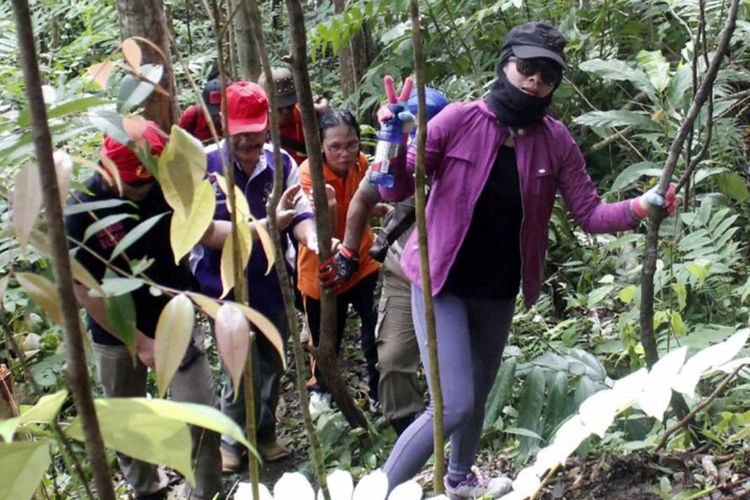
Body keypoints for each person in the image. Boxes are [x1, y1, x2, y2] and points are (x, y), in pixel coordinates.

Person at [368, 22, 678, 497]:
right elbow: (395, 186)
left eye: (547, 75)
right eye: (527, 68)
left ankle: (459, 478)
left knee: (476, 397)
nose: (535, 81)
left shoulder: (555, 141)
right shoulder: (457, 121)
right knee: (452, 404)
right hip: (440, 282)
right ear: (506, 65)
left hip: (497, 289)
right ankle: (378, 490)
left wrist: (641, 206)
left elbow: (590, 213)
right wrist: (391, 139)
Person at [65, 121, 222, 500]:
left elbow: (204, 230)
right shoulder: (81, 209)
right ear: (108, 169)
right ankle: (147, 491)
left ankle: (204, 492)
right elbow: (85, 292)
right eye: (135, 185)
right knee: (130, 425)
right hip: (115, 329)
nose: (145, 190)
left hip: (176, 315)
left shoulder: (168, 185)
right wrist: (140, 344)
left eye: (149, 180)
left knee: (201, 416)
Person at [190, 81, 317, 470]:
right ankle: (231, 440)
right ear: (224, 125)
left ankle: (264, 434)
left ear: (267, 127)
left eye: (255, 131)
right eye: (239, 132)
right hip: (221, 283)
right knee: (240, 363)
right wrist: (267, 224)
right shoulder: (207, 166)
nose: (248, 141)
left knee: (272, 360)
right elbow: (206, 233)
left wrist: (310, 238)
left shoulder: (281, 163)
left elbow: (299, 211)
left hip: (271, 279)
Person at [323, 88, 449, 435]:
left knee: (452, 359)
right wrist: (349, 251)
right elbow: (364, 197)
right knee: (392, 358)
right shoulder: (392, 159)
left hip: (451, 275)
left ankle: (452, 424)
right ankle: (405, 430)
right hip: (401, 269)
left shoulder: (460, 159)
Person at [297, 108, 381, 410]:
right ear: (320, 145)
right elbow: (314, 221)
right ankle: (321, 389)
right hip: (322, 267)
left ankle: (379, 390)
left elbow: (362, 203)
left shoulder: (361, 164)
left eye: (352, 144)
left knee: (377, 328)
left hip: (362, 260)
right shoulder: (309, 173)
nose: (345, 153)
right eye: (335, 147)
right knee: (325, 337)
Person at [258, 67, 329, 167]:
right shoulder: (257, 125)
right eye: (279, 108)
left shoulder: (307, 114)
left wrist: (325, 112)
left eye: (290, 106)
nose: (286, 112)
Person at [178, 78, 224, 142]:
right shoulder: (192, 115)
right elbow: (178, 139)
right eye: (212, 113)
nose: (216, 117)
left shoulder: (231, 118)